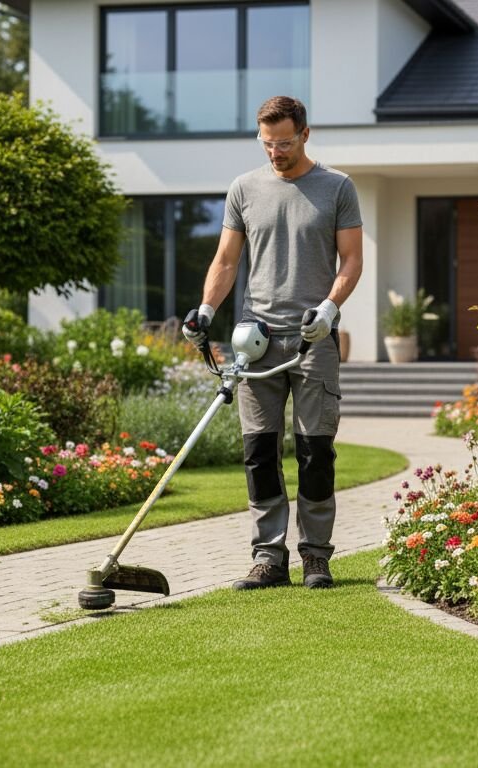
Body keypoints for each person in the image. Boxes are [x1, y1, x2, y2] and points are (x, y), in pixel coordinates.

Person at [182, 96, 364, 590]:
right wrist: (205, 310)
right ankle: (268, 557)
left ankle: (316, 556)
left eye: (284, 142)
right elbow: (225, 260)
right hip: (255, 341)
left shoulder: (337, 187)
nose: (275, 152)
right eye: (267, 143)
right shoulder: (244, 188)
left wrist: (329, 308)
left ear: (305, 133)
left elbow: (351, 260)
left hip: (313, 339)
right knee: (259, 451)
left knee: (315, 451)